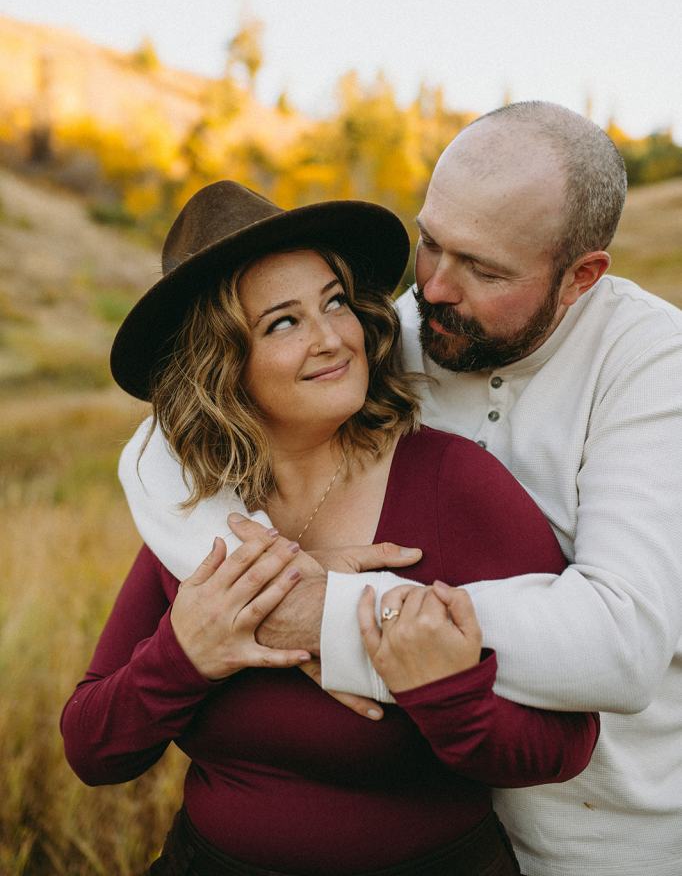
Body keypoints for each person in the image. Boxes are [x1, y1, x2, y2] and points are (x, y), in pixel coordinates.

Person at [121, 103, 682, 876]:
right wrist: (271, 591)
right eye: (430, 244)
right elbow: (161, 446)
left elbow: (621, 644)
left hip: (606, 833)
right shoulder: (405, 328)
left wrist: (333, 617)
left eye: (484, 269)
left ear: (580, 277)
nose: (435, 288)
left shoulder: (656, 368)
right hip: (447, 816)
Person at [61, 181, 598, 876]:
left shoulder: (454, 484)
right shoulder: (197, 517)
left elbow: (566, 745)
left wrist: (440, 691)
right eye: (282, 322)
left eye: (334, 302)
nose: (332, 338)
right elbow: (94, 751)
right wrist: (186, 653)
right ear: (219, 364)